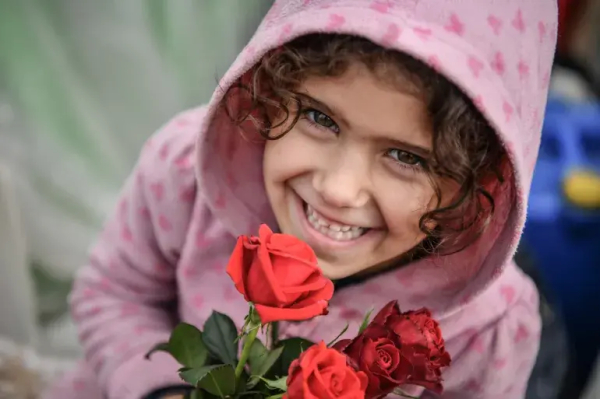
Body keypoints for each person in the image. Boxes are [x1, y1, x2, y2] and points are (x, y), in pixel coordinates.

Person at [43, 0, 557, 398]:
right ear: (267, 89)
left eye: (408, 157)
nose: (337, 189)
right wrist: (160, 387)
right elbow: (113, 294)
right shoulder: (181, 177)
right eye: (319, 118)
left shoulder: (485, 330)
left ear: (479, 182)